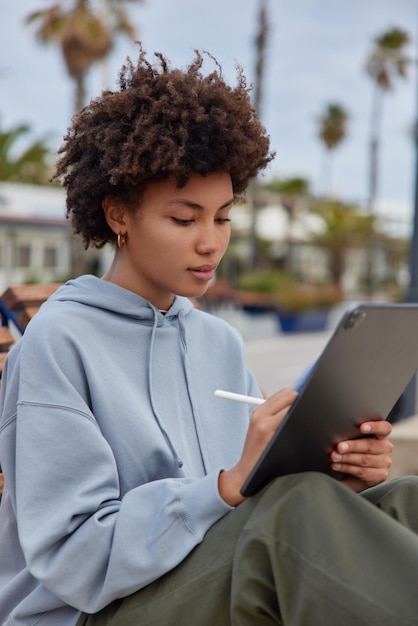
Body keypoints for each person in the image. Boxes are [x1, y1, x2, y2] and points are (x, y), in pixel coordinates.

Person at [0, 45, 418, 626]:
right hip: (93, 610)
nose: (210, 242)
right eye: (184, 217)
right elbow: (73, 557)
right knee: (294, 516)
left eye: (222, 217)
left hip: (202, 574)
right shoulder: (60, 343)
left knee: (406, 497)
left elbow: (247, 502)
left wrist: (337, 472)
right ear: (118, 214)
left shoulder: (216, 343)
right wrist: (223, 488)